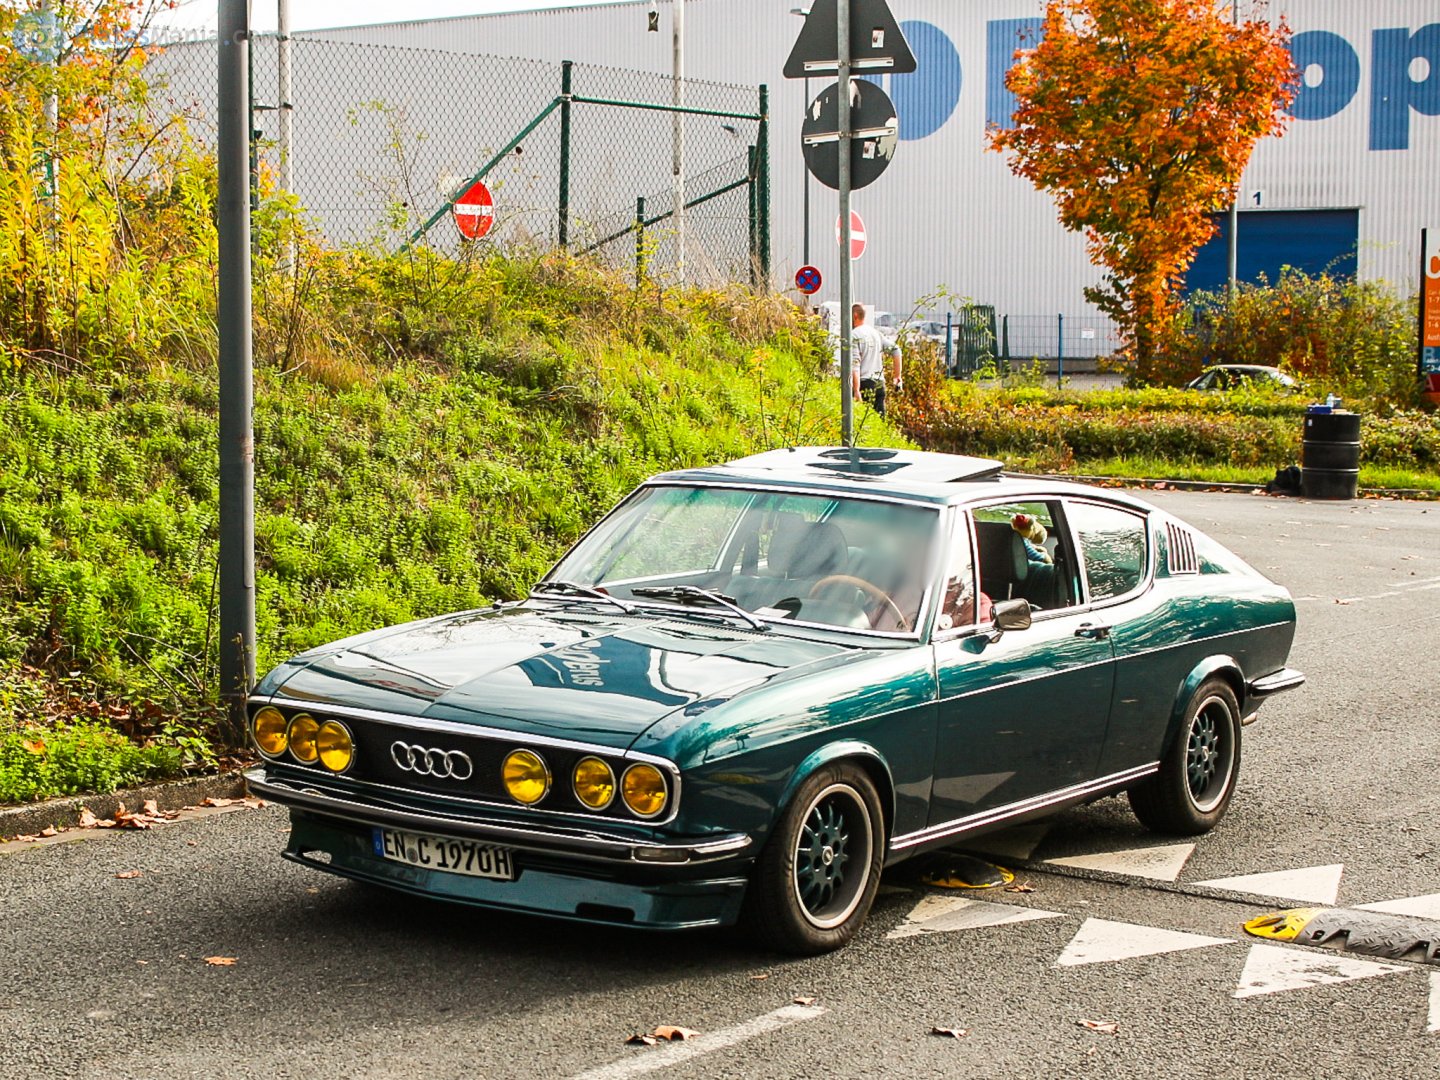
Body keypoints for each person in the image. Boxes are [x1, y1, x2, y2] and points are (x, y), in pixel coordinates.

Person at [835, 303, 902, 416]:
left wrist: (856, 390)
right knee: (880, 422)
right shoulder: (875, 333)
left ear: (855, 316)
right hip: (879, 384)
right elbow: (896, 350)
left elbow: (855, 365)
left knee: (862, 421)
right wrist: (897, 376)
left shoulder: (854, 335)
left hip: (864, 384)